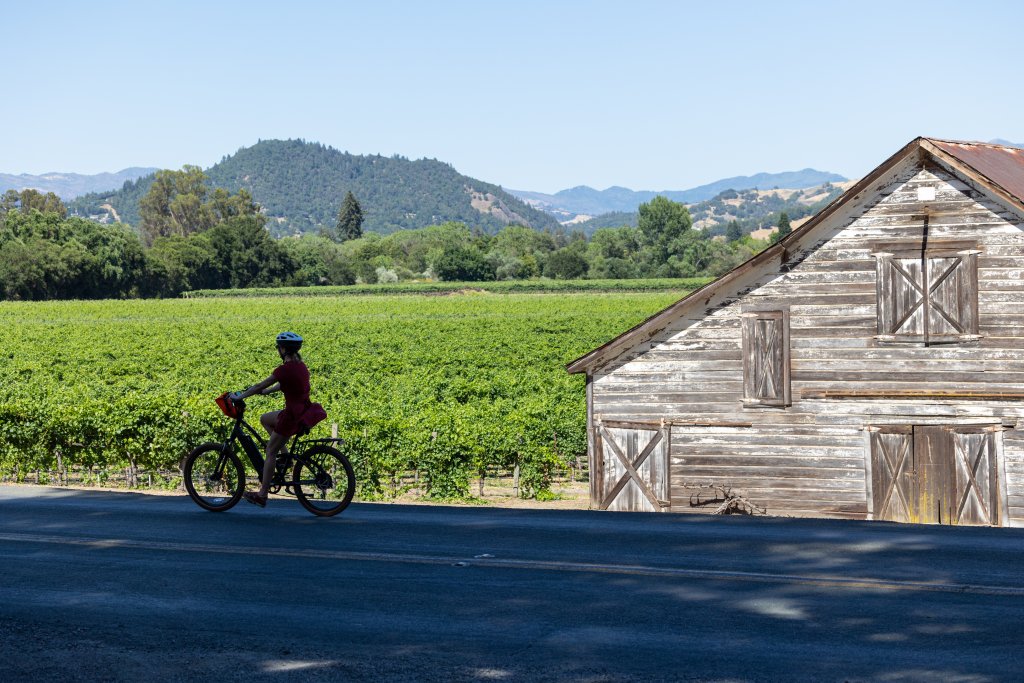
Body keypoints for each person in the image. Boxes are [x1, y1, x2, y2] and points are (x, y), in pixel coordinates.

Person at [230, 331, 327, 508]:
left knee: (270, 452)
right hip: (303, 410)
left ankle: (262, 495)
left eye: (278, 347)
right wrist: (266, 392)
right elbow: (284, 384)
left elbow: (260, 384)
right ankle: (285, 455)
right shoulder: (300, 366)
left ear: (283, 349)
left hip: (291, 416)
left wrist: (240, 397)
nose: (278, 350)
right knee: (265, 419)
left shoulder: (284, 369)